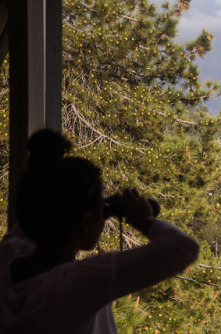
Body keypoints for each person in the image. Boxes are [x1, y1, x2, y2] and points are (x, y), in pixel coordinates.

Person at [0, 129, 199, 333]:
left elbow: (36, 209)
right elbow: (183, 248)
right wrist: (144, 221)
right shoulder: (74, 284)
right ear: (86, 223)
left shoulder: (9, 257)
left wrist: (94, 205)